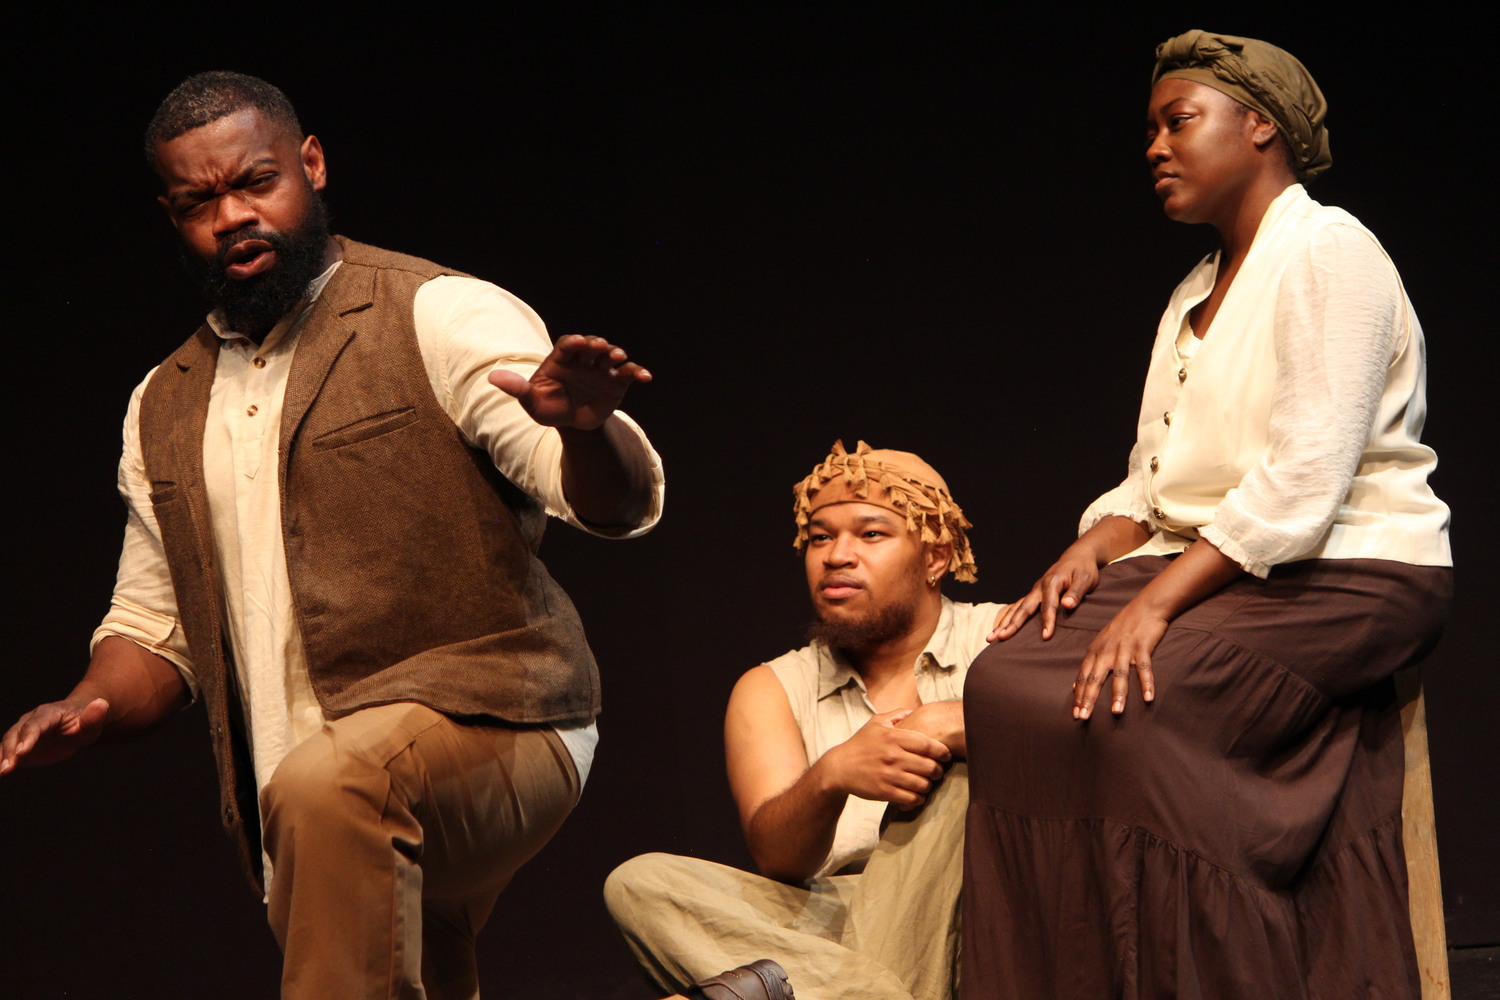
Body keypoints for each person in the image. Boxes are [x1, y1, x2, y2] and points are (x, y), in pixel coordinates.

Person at [0, 71, 664, 999]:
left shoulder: (438, 312)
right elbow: (155, 629)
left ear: (310, 165)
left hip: (498, 724)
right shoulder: (163, 403)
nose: (232, 215)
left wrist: (587, 431)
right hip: (305, 794)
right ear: (172, 214)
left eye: (255, 181)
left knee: (335, 789)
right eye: (201, 201)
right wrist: (87, 706)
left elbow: (606, 502)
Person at [961, 31, 1452, 1000]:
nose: (1154, 146)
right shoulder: (1192, 293)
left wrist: (1155, 606)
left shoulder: (1329, 251)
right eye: (1149, 128)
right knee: (1003, 681)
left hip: (1352, 568)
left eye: (1177, 121)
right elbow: (1157, 475)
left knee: (1130, 710)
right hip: (1220, 558)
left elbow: (1306, 479)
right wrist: (1093, 547)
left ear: (1259, 124)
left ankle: (1224, 970)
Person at [606, 440, 1003, 1000]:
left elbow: (1073, 746)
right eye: (820, 537)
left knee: (949, 780)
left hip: (971, 911)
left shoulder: (1003, 638)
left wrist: (948, 723)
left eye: (870, 534)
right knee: (641, 884)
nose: (836, 555)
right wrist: (831, 775)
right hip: (829, 919)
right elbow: (778, 860)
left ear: (935, 558)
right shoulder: (770, 687)